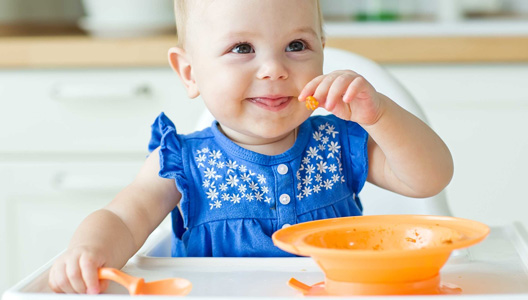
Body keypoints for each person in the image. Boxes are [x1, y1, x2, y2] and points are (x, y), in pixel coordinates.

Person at [49, 0, 453, 294]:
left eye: (296, 46)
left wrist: (379, 115)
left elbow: (429, 178)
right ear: (190, 73)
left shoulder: (340, 143)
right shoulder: (182, 163)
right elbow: (121, 218)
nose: (275, 68)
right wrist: (87, 251)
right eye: (242, 48)